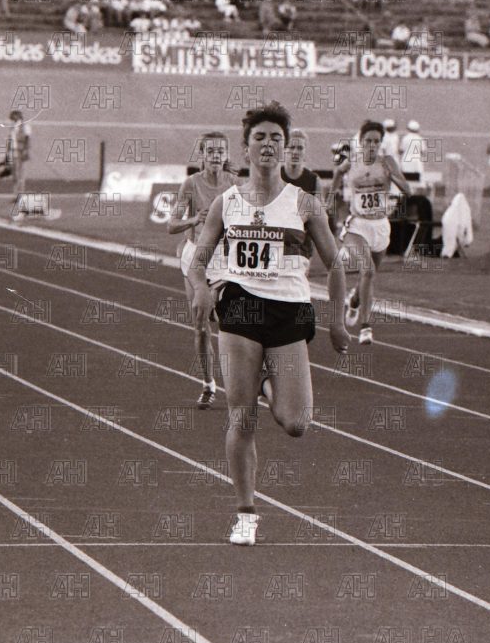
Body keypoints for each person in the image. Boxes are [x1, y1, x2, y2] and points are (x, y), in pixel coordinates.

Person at [188, 101, 351, 546]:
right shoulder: (227, 202)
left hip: (290, 311)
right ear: (245, 149)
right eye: (259, 137)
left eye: (276, 138)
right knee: (241, 417)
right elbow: (199, 260)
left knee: (296, 422)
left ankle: (263, 383)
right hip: (240, 307)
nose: (267, 144)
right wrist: (202, 288)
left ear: (285, 147)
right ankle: (246, 513)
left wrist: (338, 322)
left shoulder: (305, 203)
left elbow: (336, 264)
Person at [167, 132, 240, 409]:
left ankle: (244, 381)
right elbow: (171, 224)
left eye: (221, 151)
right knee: (200, 327)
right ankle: (208, 384)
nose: (216, 156)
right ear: (202, 155)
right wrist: (194, 219)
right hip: (196, 257)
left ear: (226, 155)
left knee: (231, 325)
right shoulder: (191, 184)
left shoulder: (234, 184)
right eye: (211, 151)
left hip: (223, 259)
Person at [334, 120, 412, 345]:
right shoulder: (352, 161)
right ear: (361, 141)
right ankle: (366, 326)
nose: (372, 145)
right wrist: (330, 201)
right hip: (357, 225)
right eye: (368, 141)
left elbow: (407, 190)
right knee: (367, 271)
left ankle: (355, 300)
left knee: (368, 275)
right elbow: (337, 174)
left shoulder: (387, 161)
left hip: (380, 226)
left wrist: (393, 176)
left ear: (381, 143)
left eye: (376, 142)